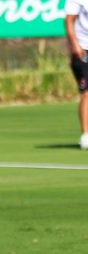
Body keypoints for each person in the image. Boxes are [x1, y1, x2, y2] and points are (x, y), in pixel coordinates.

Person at [66, 0, 88, 149]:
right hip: (84, 51)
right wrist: (75, 45)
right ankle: (86, 135)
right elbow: (69, 20)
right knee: (87, 92)